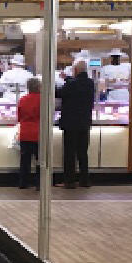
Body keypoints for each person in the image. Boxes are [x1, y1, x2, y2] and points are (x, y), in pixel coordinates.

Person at [56, 59, 95, 189]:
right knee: (83, 152)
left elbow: (59, 92)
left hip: (71, 123)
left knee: (70, 153)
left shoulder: (71, 84)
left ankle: (69, 181)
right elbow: (76, 85)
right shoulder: (90, 83)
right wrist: (67, 78)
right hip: (85, 122)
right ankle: (85, 180)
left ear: (76, 70)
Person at [17, 78, 41, 190]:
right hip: (38, 133)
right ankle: (39, 183)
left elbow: (19, 117)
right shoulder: (42, 99)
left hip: (25, 132)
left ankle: (23, 183)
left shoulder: (22, 99)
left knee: (25, 160)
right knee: (39, 160)